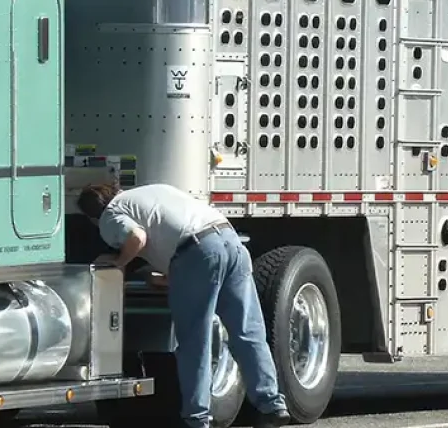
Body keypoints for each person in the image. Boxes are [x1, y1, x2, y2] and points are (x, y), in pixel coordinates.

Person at [76, 182, 291, 428]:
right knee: (248, 331)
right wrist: (172, 278)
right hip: (231, 242)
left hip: (197, 251)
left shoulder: (110, 215)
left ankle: (197, 417)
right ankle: (272, 405)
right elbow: (176, 236)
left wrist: (118, 263)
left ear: (92, 217)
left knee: (194, 341)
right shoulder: (153, 191)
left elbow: (137, 237)